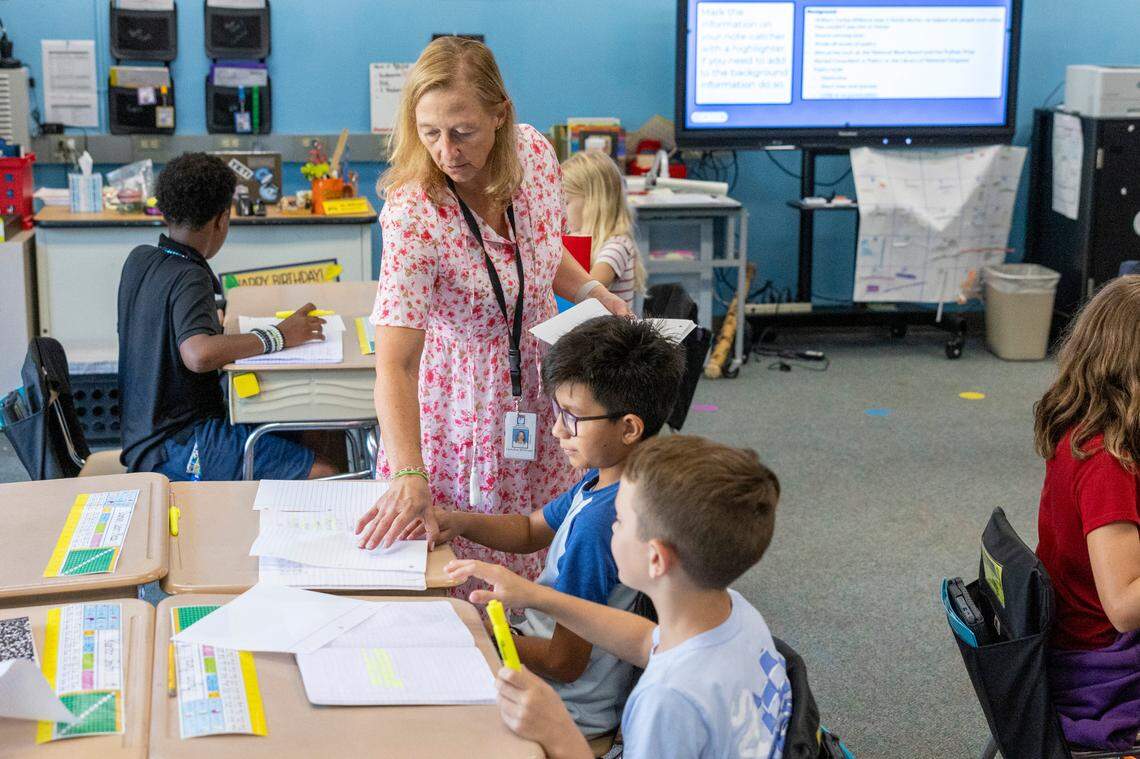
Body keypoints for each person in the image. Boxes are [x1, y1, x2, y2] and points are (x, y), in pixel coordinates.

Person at [354, 37, 630, 586]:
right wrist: (409, 471)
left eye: (463, 132)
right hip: (461, 406)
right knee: (467, 572)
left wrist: (591, 292)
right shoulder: (414, 212)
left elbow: (539, 249)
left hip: (539, 387)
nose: (446, 152)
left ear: (500, 115)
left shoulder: (534, 156)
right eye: (429, 133)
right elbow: (395, 365)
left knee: (542, 540)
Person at [447, 435, 792, 759]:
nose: (611, 526)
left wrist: (558, 731)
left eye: (620, 521)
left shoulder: (667, 698)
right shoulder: (737, 614)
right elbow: (645, 640)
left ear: (656, 559)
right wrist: (537, 596)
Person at [429, 316, 683, 738]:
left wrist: (481, 636)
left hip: (566, 708)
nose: (556, 429)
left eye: (572, 417)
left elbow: (563, 663)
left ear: (628, 428)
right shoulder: (609, 478)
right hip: (557, 672)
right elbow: (531, 531)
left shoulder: (599, 526)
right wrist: (461, 522)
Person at [117, 152, 337, 480]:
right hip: (179, 445)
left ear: (165, 211)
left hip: (143, 437)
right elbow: (198, 354)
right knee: (325, 471)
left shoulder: (140, 259)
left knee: (312, 425)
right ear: (222, 219)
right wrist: (279, 335)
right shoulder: (190, 275)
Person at [1033, 275, 1140, 751]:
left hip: (1082, 639)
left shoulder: (1085, 423)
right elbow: (1124, 607)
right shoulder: (1105, 463)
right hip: (1104, 665)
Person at [562, 149, 646, 312]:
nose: (560, 212)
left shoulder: (617, 246)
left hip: (608, 329)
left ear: (593, 202)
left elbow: (587, 289)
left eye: (565, 202)